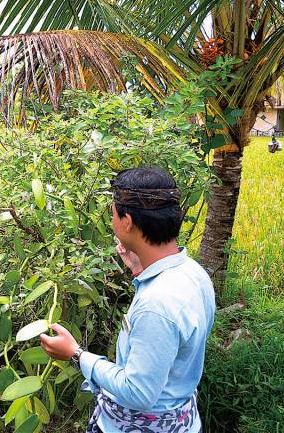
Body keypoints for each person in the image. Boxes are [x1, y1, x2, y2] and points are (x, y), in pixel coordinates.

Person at [40, 167, 215, 433]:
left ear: (128, 221)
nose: (112, 222)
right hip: (182, 421)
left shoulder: (156, 305)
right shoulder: (194, 273)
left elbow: (139, 393)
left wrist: (76, 355)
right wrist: (139, 267)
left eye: (113, 214)